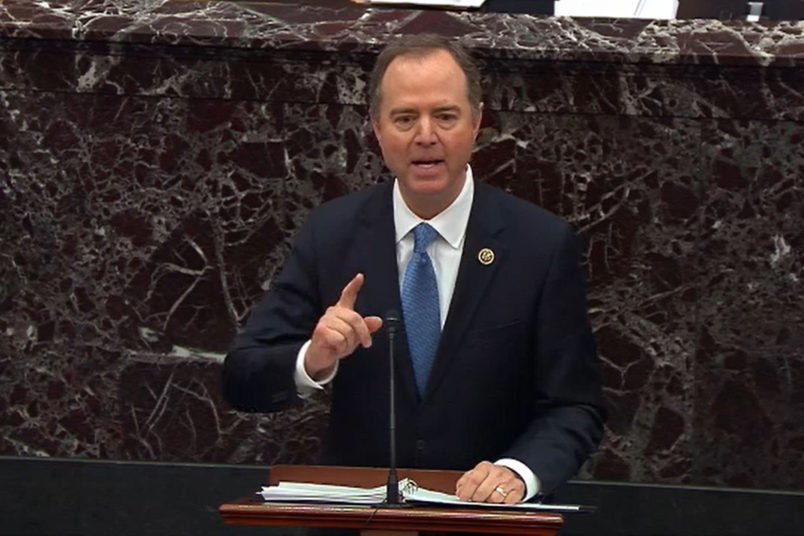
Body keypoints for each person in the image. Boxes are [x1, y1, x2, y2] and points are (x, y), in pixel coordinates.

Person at [223, 34, 604, 504]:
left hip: (485, 518)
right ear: (377, 129)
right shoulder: (332, 233)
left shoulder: (539, 244)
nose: (426, 136)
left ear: (476, 122)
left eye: (445, 116)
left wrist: (517, 473)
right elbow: (242, 378)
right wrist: (313, 358)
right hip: (360, 522)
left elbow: (575, 404)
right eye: (405, 118)